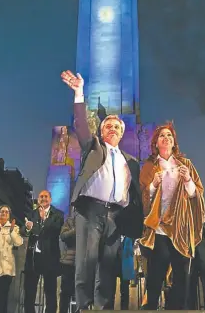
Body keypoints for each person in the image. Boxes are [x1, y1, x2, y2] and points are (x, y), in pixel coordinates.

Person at [61, 70, 144, 311]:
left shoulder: (131, 162)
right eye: (108, 126)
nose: (112, 129)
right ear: (101, 131)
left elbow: (137, 191)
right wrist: (79, 93)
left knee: (107, 266)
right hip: (91, 212)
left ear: (122, 132)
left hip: (116, 217)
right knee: (86, 262)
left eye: (117, 127)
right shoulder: (94, 147)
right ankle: (83, 307)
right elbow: (81, 125)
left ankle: (103, 307)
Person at [139, 123, 205, 310]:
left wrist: (188, 180)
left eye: (169, 135)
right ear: (156, 142)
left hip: (181, 228)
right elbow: (144, 198)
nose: (166, 138)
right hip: (160, 229)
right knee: (155, 275)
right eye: (161, 135)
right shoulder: (150, 166)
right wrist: (152, 185)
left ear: (174, 141)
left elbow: (196, 196)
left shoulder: (186, 165)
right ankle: (150, 307)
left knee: (182, 275)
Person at [23, 190, 64, 313]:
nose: (43, 198)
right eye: (41, 196)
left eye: (46, 196)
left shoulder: (58, 214)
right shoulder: (32, 213)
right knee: (29, 292)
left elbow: (55, 230)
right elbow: (24, 230)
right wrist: (28, 229)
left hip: (50, 257)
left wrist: (41, 221)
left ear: (50, 199)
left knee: (50, 292)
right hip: (33, 258)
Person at [59, 214, 76, 313]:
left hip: (83, 263)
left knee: (79, 294)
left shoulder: (89, 221)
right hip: (68, 263)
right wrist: (76, 231)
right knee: (65, 293)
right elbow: (63, 236)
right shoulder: (70, 221)